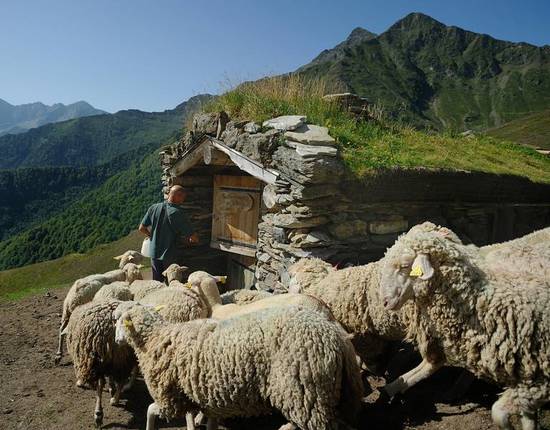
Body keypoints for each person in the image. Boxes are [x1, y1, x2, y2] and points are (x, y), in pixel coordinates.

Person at [138, 185, 199, 282]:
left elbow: (141, 228)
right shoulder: (178, 213)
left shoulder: (153, 208)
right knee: (172, 282)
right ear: (177, 196)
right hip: (170, 255)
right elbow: (194, 238)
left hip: (154, 253)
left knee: (157, 283)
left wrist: (152, 236)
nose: (183, 200)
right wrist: (190, 240)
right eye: (183, 197)